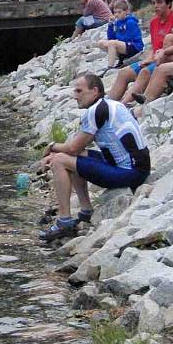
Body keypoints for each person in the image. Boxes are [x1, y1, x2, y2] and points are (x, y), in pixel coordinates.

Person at [39, 73, 149, 242]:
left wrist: (51, 147)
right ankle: (86, 211)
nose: (75, 95)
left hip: (129, 173)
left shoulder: (95, 111)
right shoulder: (111, 104)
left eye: (79, 90)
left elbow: (74, 147)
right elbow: (75, 149)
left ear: (95, 91)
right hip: (138, 168)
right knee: (67, 156)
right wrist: (61, 150)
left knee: (60, 160)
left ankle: (64, 221)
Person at [108, 0, 173, 103]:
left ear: (169, 4)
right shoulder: (153, 22)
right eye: (153, 3)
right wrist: (146, 59)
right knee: (123, 73)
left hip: (166, 59)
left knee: (145, 72)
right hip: (154, 57)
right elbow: (154, 46)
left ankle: (124, 104)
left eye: (159, 2)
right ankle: (107, 103)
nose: (155, 6)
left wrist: (152, 59)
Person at [97, 1, 143, 71]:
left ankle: (110, 67)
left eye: (119, 12)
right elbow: (111, 38)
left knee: (112, 43)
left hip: (135, 46)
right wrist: (110, 25)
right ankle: (121, 57)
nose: (116, 15)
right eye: (115, 12)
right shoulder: (118, 22)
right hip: (125, 45)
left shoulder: (131, 22)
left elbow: (129, 38)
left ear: (126, 11)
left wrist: (116, 41)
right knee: (101, 43)